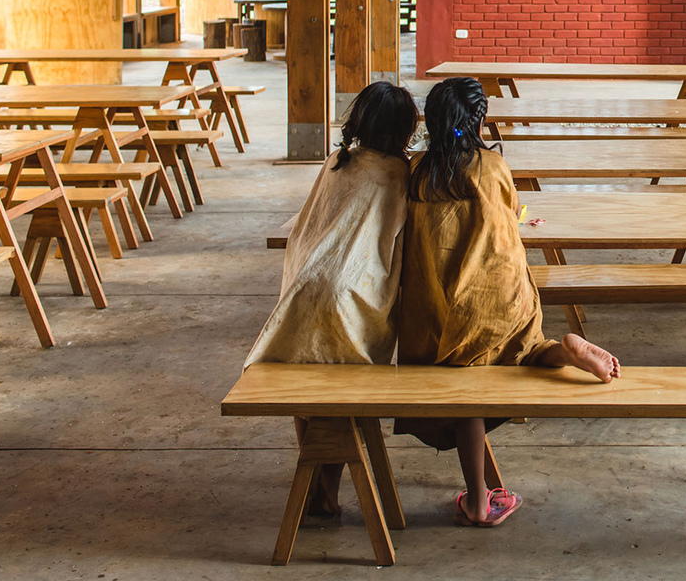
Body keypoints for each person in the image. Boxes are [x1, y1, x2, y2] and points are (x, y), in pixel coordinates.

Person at [398, 76, 622, 528]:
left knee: (461, 375)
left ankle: (479, 500)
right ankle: (561, 350)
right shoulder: (491, 166)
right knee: (522, 350)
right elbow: (505, 222)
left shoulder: (418, 172)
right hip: (498, 303)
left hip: (436, 312)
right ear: (479, 119)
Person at [244, 80, 419, 516]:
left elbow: (309, 226)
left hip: (305, 285)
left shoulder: (337, 161)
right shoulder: (401, 172)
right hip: (351, 295)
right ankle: (326, 488)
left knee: (302, 379)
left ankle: (316, 480)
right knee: (344, 391)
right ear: (405, 129)